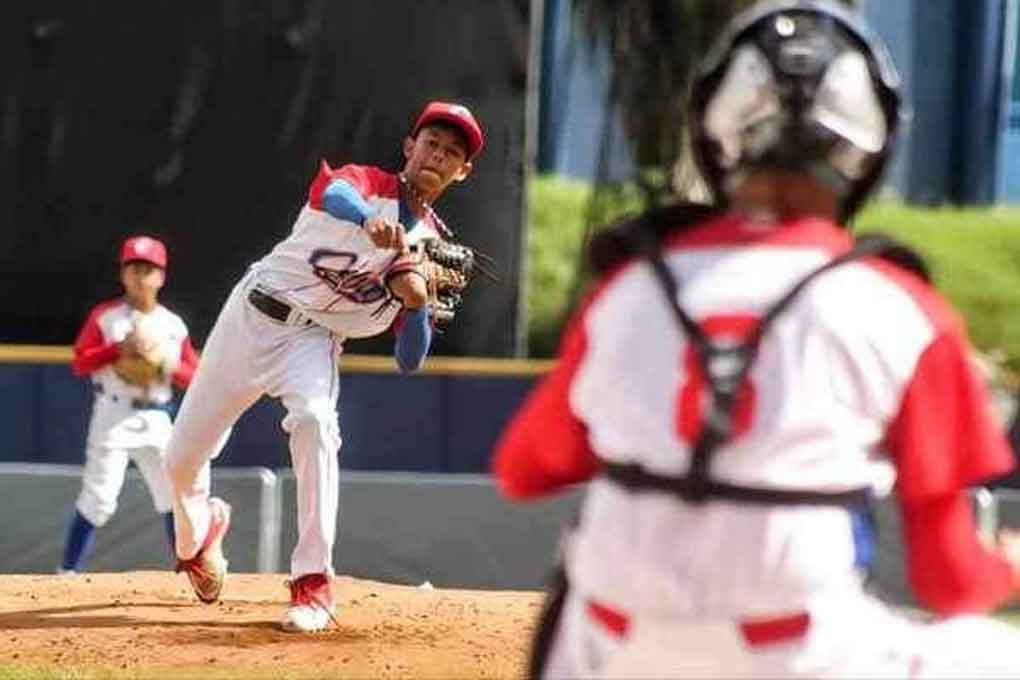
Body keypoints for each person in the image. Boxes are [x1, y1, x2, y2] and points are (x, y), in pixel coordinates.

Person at [493, 1, 1020, 677]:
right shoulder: (901, 308)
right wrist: (1001, 566)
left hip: (615, 647)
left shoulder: (627, 289)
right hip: (799, 653)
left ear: (717, 136)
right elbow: (948, 581)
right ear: (869, 147)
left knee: (575, 597)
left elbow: (523, 470)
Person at [163, 100, 484, 632]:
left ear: (462, 171)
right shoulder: (365, 184)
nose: (438, 155)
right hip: (253, 311)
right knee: (179, 460)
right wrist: (370, 222)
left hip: (311, 341)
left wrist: (415, 300)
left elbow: (409, 360)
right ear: (410, 146)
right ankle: (200, 533)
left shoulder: (431, 248)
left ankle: (313, 582)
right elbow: (332, 193)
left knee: (315, 422)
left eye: (452, 152)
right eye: (431, 142)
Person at [60, 235, 199, 574]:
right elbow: (79, 363)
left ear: (161, 276)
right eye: (133, 267)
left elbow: (195, 378)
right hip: (114, 413)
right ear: (123, 274)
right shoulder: (106, 317)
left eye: (148, 268)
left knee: (173, 497)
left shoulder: (172, 324)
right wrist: (115, 350)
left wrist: (164, 364)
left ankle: (186, 574)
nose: (140, 275)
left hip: (157, 415)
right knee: (99, 498)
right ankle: (67, 572)